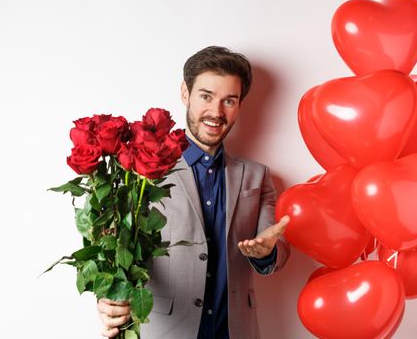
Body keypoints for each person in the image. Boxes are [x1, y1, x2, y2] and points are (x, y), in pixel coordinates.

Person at [97, 46, 291, 339]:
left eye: (229, 100)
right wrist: (107, 296)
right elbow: (113, 249)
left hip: (236, 330)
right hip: (167, 331)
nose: (216, 112)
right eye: (206, 96)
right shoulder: (142, 169)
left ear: (240, 106)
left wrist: (267, 251)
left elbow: (276, 245)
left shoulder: (258, 176)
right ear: (185, 94)